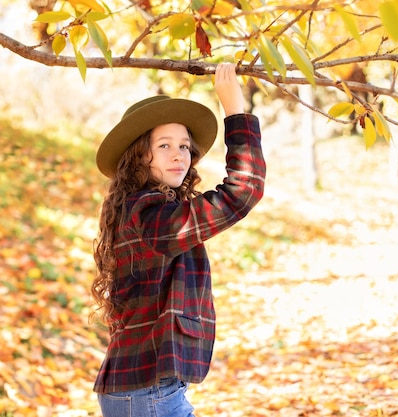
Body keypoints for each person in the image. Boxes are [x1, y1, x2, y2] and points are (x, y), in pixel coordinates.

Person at [91, 62, 266, 417]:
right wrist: (235, 111)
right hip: (147, 392)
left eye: (185, 146)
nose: (178, 155)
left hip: (146, 388)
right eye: (165, 145)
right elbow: (242, 191)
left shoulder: (145, 209)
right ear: (141, 154)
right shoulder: (150, 216)